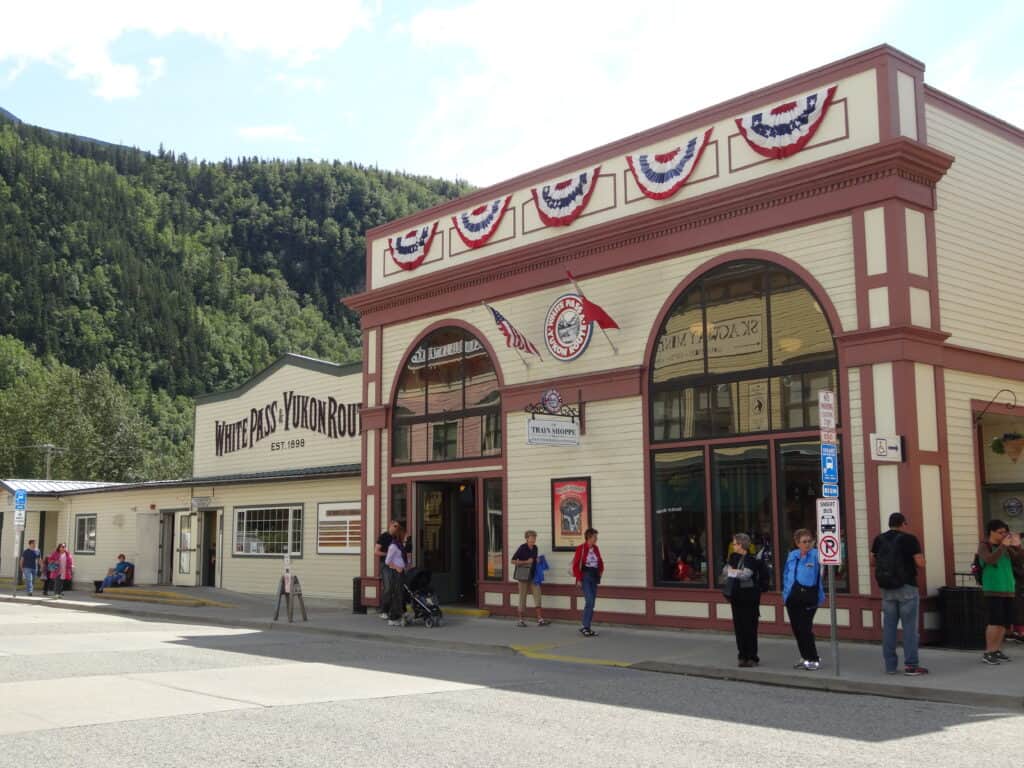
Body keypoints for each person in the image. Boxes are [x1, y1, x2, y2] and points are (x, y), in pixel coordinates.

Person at [871, 512, 928, 676]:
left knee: (889, 628)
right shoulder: (910, 539)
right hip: (907, 587)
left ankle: (890, 666)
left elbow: (872, 562)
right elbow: (920, 563)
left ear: (889, 524)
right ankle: (911, 665)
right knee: (909, 628)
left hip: (887, 589)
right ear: (903, 523)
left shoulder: (879, 539)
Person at [977, 519, 1024, 665]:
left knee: (1004, 623)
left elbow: (1018, 560)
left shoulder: (1006, 547)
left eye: (1005, 532)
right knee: (994, 622)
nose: (1003, 535)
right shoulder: (984, 546)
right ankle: (988, 652)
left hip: (1008, 589)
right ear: (991, 532)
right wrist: (1003, 546)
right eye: (1000, 532)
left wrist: (1018, 546)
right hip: (993, 589)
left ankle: (996, 650)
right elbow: (990, 560)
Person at [722, 533, 767, 668]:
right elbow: (724, 570)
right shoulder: (734, 557)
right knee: (739, 628)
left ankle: (752, 657)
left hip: (750, 598)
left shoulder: (751, 559)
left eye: (735, 543)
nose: (733, 546)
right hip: (736, 598)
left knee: (750, 628)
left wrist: (733, 572)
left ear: (741, 544)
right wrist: (735, 572)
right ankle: (742, 656)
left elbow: (746, 575)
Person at [782, 529, 825, 671]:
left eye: (809, 541)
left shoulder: (816, 555)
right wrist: (785, 594)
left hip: (809, 597)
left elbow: (822, 571)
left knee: (805, 628)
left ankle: (813, 658)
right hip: (792, 596)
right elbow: (786, 574)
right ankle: (805, 656)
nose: (807, 544)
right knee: (797, 629)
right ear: (797, 543)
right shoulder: (792, 556)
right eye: (804, 542)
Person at [511, 530, 550, 627]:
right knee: (522, 597)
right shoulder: (522, 548)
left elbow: (533, 560)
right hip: (523, 577)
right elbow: (513, 561)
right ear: (527, 538)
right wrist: (526, 562)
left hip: (533, 576)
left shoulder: (535, 548)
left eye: (534, 538)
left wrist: (537, 560)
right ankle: (520, 620)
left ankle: (540, 619)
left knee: (538, 595)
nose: (533, 540)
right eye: (531, 538)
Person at [571, 528, 604, 637]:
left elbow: (600, 561)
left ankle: (587, 627)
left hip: (594, 576)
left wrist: (600, 571)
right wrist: (579, 579)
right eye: (595, 537)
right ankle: (585, 626)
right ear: (589, 537)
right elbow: (576, 565)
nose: (596, 539)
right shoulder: (581, 548)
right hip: (585, 576)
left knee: (592, 602)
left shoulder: (596, 548)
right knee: (589, 601)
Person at [375, 520, 399, 619]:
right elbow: (376, 552)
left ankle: (392, 610)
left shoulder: (397, 538)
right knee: (388, 587)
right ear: (390, 526)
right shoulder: (383, 537)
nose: (397, 528)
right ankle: (383, 611)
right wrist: (388, 555)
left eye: (398, 526)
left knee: (395, 588)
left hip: (395, 565)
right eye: (395, 526)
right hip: (385, 565)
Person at [385, 524, 407, 627]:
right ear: (400, 535)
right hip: (396, 573)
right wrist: (397, 567)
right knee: (397, 595)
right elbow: (387, 561)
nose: (406, 536)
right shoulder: (393, 546)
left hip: (401, 572)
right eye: (405, 534)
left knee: (401, 595)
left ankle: (401, 615)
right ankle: (393, 618)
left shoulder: (400, 545)